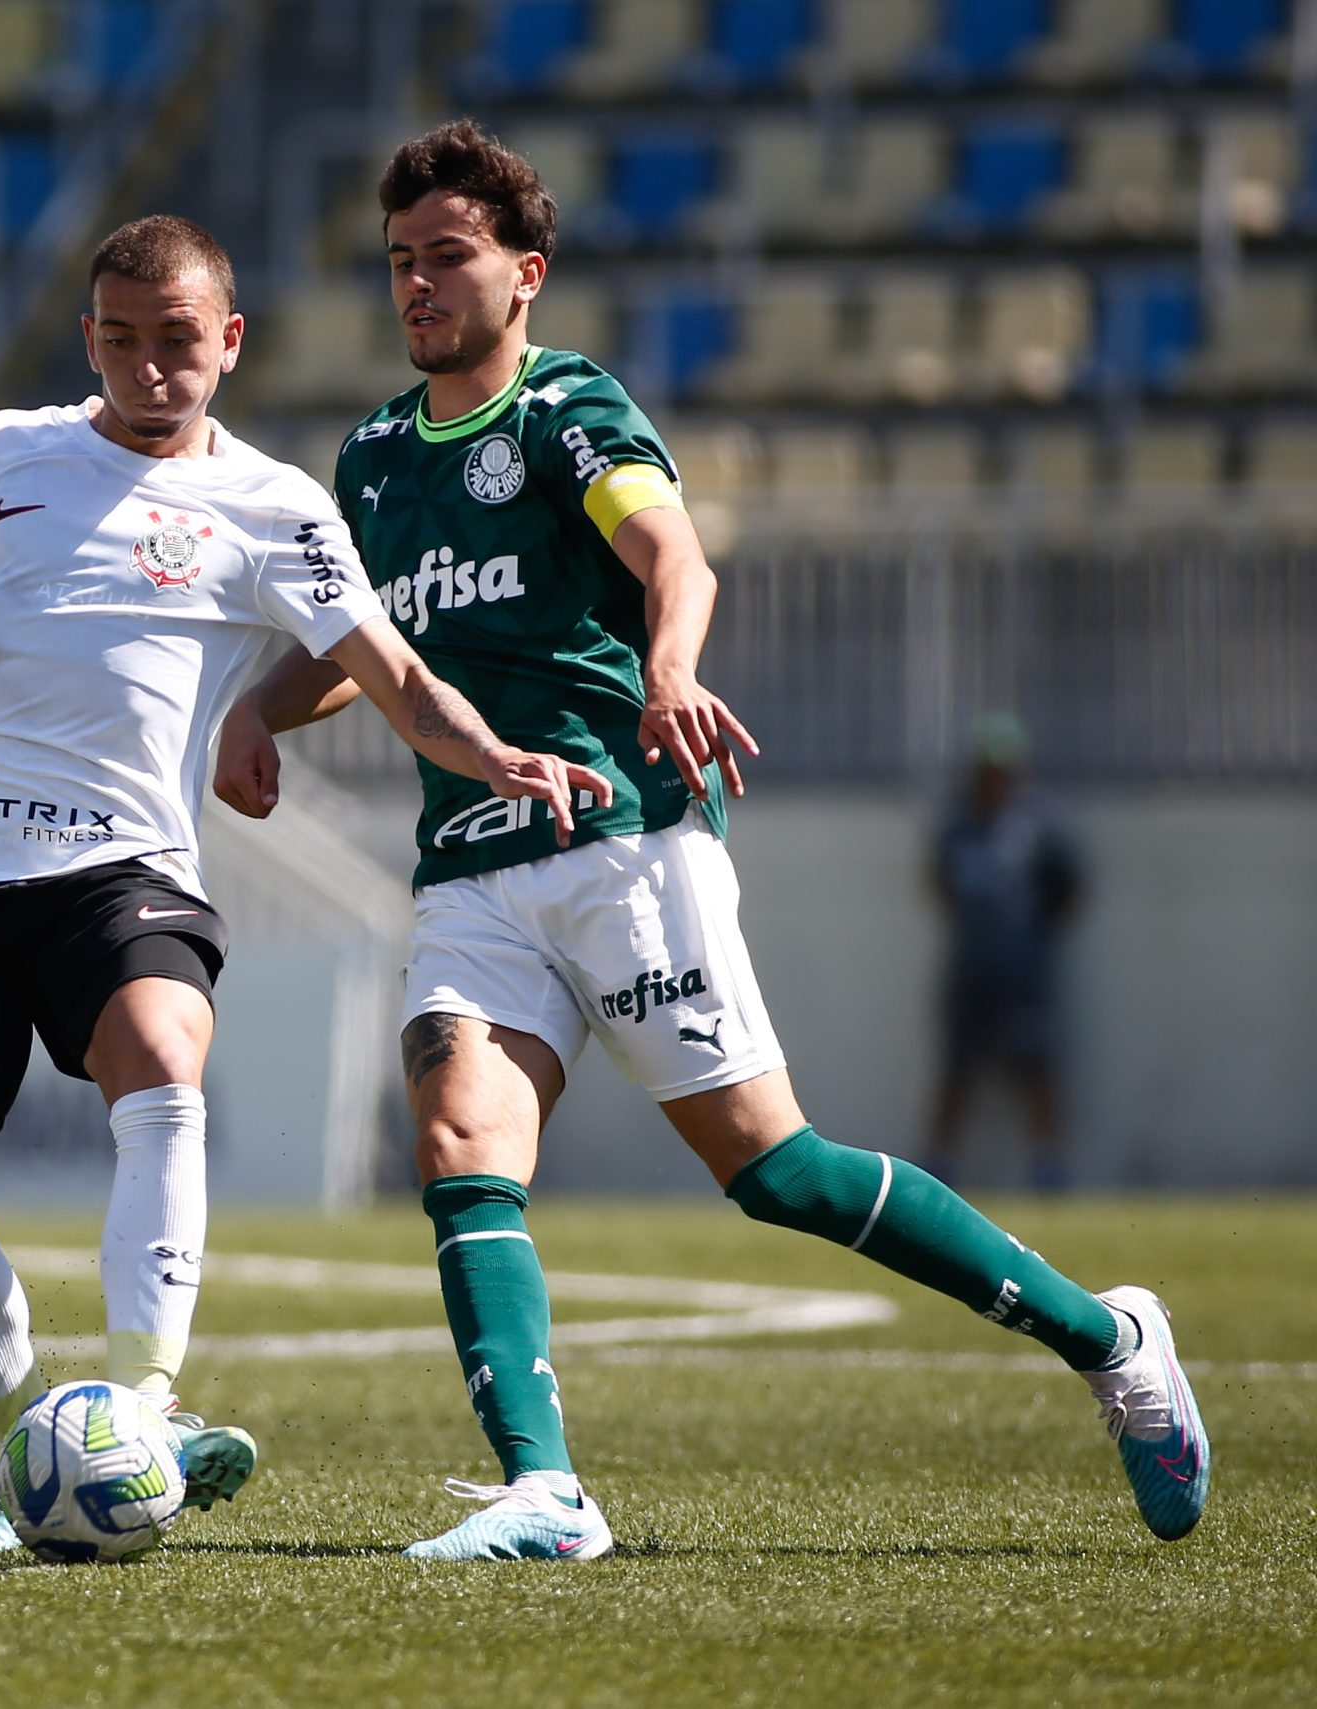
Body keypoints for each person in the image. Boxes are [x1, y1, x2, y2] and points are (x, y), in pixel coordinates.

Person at [214, 121, 1207, 1560]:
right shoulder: (371, 460)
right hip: (472, 867)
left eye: (449, 259)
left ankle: (1108, 1337)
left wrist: (672, 668)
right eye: (399, 264)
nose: (419, 287)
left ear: (525, 273)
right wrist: (263, 707)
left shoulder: (569, 413)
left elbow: (673, 551)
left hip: (622, 836)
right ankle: (546, 1492)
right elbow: (367, 643)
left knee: (775, 1172)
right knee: (455, 1137)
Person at [0, 214, 611, 1551]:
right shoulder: (1, 454)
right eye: (119, 341)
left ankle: (139, 1396)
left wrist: (491, 753)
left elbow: (393, 673)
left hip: (123, 868)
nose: (147, 368)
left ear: (229, 342)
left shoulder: (276, 505)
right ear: (89, 340)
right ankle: (30, 1453)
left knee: (162, 1059)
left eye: (177, 340)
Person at [923, 713, 1084, 1190]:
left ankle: (1048, 1164)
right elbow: (941, 883)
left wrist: (1028, 933)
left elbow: (1067, 887)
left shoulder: (1039, 824)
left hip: (1024, 971)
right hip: (972, 968)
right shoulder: (959, 824)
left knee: (1036, 1066)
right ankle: (941, 1163)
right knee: (959, 1066)